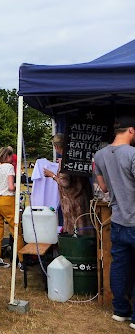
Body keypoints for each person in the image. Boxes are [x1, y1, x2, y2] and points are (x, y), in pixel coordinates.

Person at [93, 115, 135, 329]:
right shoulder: (133, 153)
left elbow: (105, 188)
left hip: (117, 219)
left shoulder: (99, 155)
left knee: (118, 266)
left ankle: (120, 311)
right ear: (131, 131)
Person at [43, 133, 94, 235]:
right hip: (83, 197)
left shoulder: (65, 161)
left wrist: (52, 175)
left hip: (72, 202)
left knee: (76, 230)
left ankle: (77, 249)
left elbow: (65, 182)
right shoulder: (76, 156)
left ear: (57, 147)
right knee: (86, 226)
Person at [0, 146, 24, 269]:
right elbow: (11, 187)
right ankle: (21, 261)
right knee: (16, 230)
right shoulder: (9, 167)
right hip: (7, 200)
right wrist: (18, 186)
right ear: (7, 156)